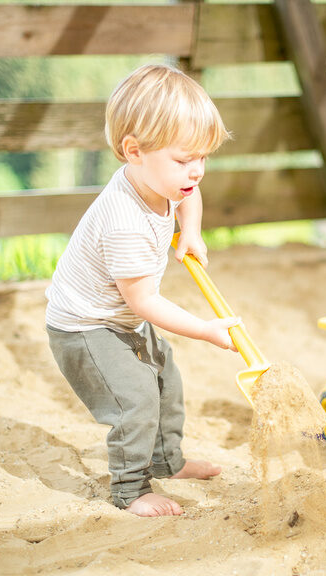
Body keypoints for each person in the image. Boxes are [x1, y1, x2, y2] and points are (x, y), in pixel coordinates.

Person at [45, 64, 239, 517]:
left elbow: (187, 194)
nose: (196, 171)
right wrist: (207, 330)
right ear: (134, 151)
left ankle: (168, 462)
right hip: (84, 327)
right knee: (135, 398)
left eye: (203, 157)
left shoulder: (163, 177)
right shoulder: (123, 221)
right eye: (183, 159)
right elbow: (145, 302)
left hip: (118, 317)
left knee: (165, 379)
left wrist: (190, 231)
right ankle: (132, 489)